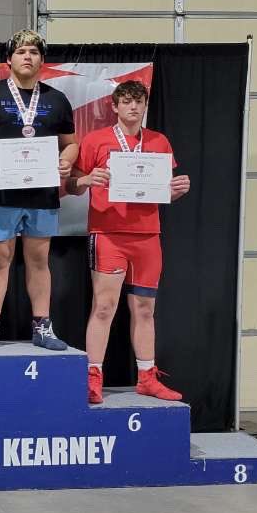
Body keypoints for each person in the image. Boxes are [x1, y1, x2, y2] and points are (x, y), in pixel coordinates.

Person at [69, 79, 190, 404]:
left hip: (148, 236)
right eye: (127, 102)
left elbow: (164, 190)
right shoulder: (96, 140)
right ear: (115, 105)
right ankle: (93, 376)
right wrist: (84, 179)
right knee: (104, 306)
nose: (133, 107)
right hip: (108, 234)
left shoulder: (159, 141)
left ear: (144, 106)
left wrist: (176, 190)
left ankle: (147, 377)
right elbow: (70, 186)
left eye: (139, 102)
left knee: (145, 309)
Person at [0, 30, 78, 352]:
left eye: (34, 52)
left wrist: (66, 161)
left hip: (41, 194)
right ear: (9, 58)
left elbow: (71, 144)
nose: (28, 57)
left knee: (39, 258)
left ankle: (42, 327)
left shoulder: (56, 99)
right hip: (0, 192)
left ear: (42, 60)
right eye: (22, 51)